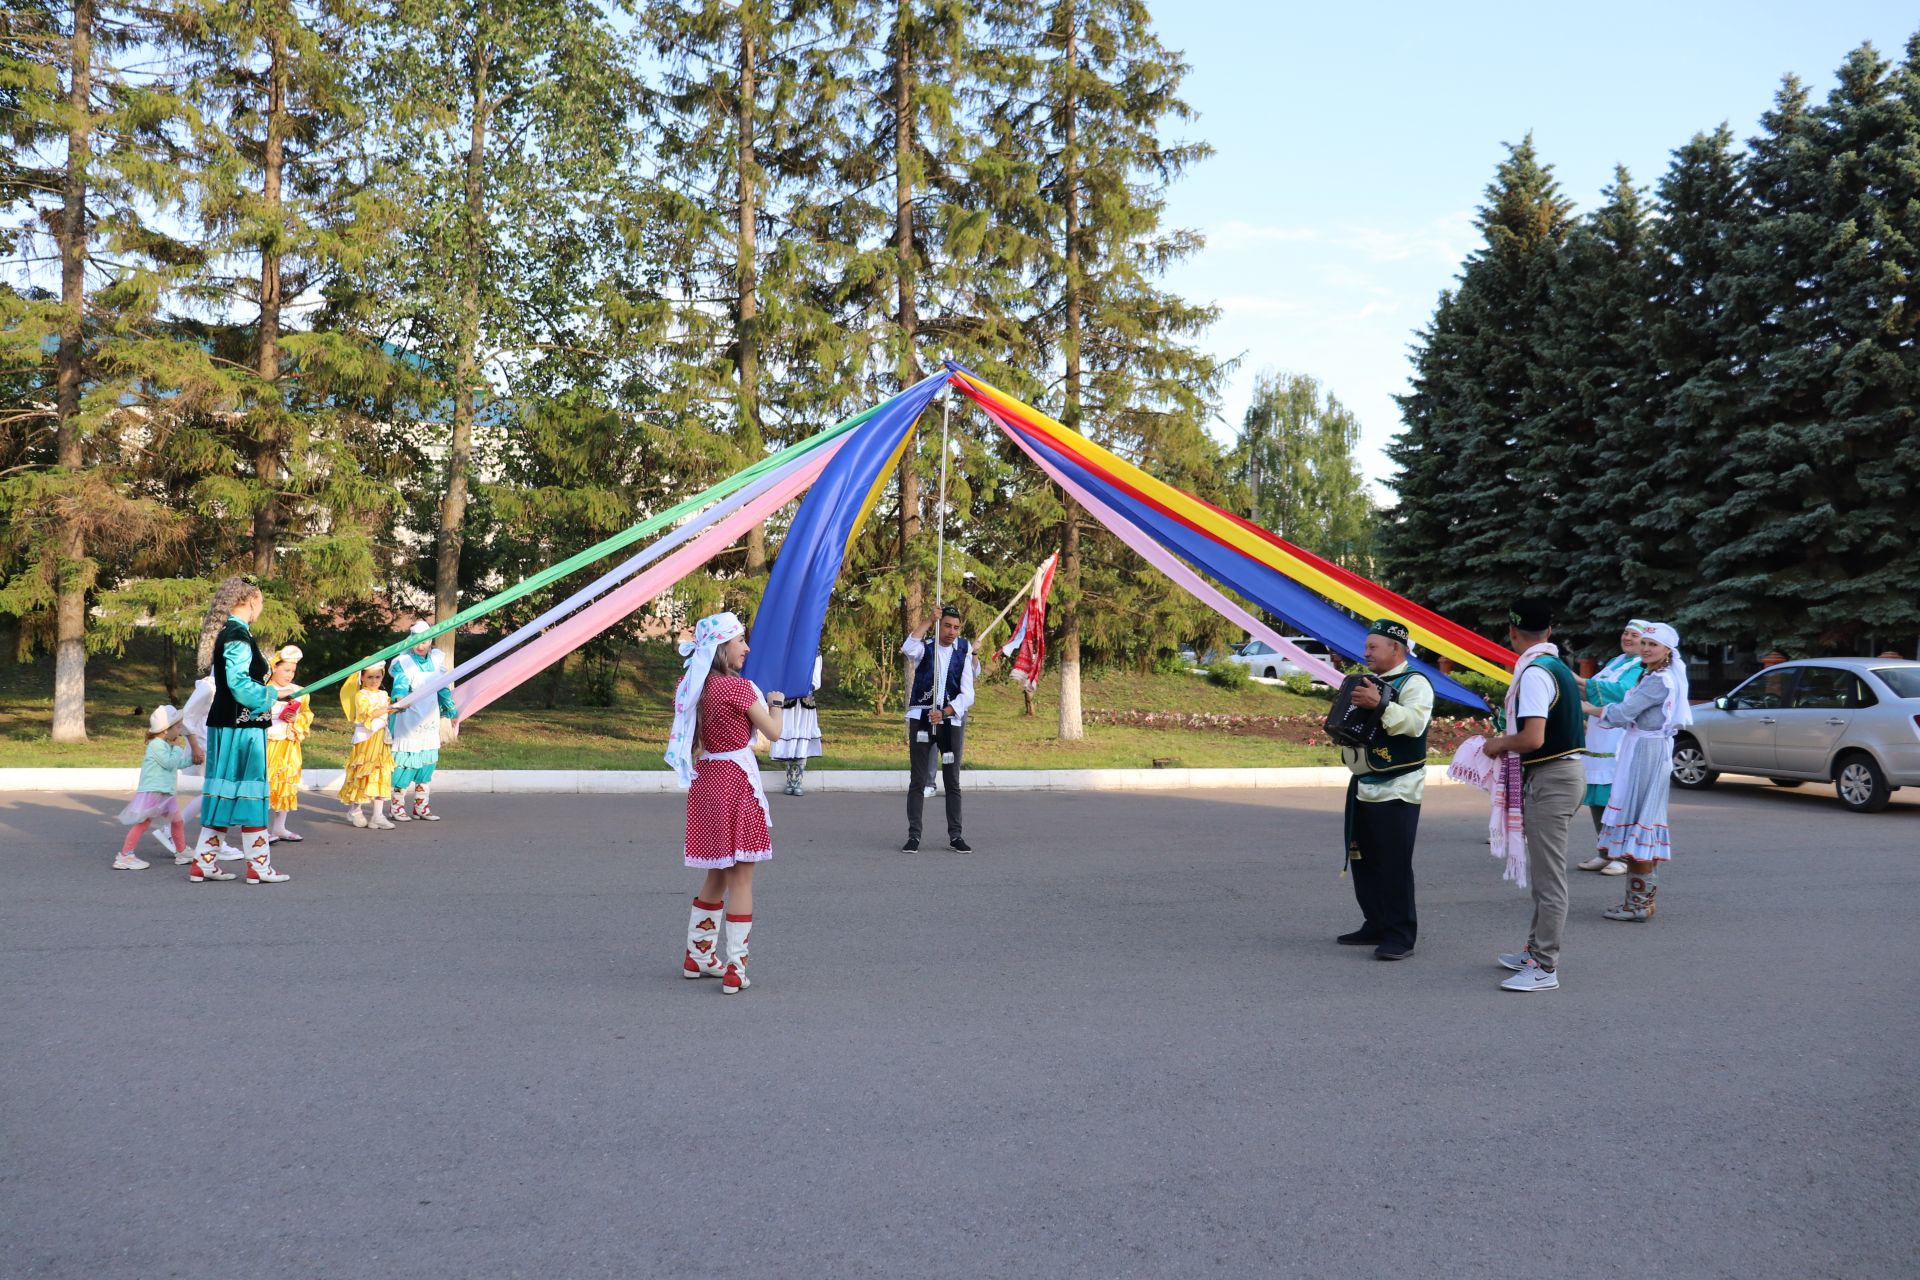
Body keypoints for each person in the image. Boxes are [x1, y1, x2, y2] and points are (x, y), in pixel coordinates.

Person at [666, 612, 784, 995]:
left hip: (706, 785)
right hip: (736, 783)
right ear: (722, 647)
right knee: (742, 878)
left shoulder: (693, 686)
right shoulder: (739, 689)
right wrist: (777, 703)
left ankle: (697, 956)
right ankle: (735, 967)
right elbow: (774, 733)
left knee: (716, 872)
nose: (746, 648)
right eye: (740, 641)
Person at [1483, 597, 1585, 993]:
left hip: (1552, 778)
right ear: (1550, 632)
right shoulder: (1554, 665)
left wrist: (1496, 744)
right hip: (1559, 775)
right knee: (1545, 874)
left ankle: (1545, 967)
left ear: (1511, 633)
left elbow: (1532, 738)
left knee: (1549, 878)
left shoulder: (1535, 673)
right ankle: (1534, 952)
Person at [1335, 619, 1433, 961]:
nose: (1366, 652)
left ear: (1397, 649)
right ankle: (1375, 923)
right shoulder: (1367, 682)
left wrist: (1380, 704)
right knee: (1365, 862)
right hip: (1363, 786)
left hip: (1398, 789)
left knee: (1393, 864)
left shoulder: (1415, 683)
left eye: (1373, 646)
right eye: (1366, 646)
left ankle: (1401, 935)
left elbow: (1414, 723)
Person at [1585, 622, 1691, 923]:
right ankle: (1641, 901)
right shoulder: (1657, 674)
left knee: (1638, 823)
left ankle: (1638, 905)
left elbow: (1623, 712)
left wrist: (1586, 708)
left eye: (1652, 645)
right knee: (1642, 824)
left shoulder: (1659, 680)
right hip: (1646, 749)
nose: (1645, 648)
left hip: (1645, 753)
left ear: (1667, 650)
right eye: (1643, 643)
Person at [190, 576, 292, 885]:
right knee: (250, 793)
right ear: (252, 600)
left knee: (225, 793)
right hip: (242, 727)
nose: (261, 607)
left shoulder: (232, 633)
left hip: (231, 724)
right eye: (261, 601)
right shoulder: (237, 635)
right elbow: (238, 684)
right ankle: (259, 866)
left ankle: (203, 862)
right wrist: (273, 694)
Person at [1575, 620, 1649, 876]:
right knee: (1599, 799)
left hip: (1619, 739)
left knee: (1618, 799)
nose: (1627, 638)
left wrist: (1581, 682)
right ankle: (1604, 852)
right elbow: (1596, 690)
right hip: (1598, 740)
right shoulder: (1617, 662)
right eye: (1625, 633)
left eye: (1634, 635)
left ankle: (1624, 856)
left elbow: (1622, 693)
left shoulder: (1642, 667)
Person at [901, 604, 976, 854]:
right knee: (918, 779)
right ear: (938, 624)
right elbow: (908, 647)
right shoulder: (925, 649)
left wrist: (945, 712)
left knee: (952, 780)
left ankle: (956, 836)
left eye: (956, 627)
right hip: (921, 719)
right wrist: (926, 620)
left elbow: (968, 695)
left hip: (949, 723)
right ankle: (914, 835)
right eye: (946, 625)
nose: (952, 631)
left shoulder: (963, 653)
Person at [114, 705, 203, 870]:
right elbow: (169, 763)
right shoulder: (156, 745)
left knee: (177, 821)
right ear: (165, 730)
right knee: (143, 822)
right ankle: (125, 856)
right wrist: (177, 747)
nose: (179, 731)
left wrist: (192, 760)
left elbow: (175, 764)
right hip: (154, 791)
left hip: (165, 793)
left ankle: (181, 851)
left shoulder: (165, 745)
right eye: (177, 727)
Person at [388, 622, 458, 822]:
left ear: (430, 641)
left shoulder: (436, 661)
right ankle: (397, 807)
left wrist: (452, 710)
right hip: (409, 717)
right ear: (411, 640)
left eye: (425, 641)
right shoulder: (404, 662)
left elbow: (443, 688)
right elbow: (400, 684)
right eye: (417, 641)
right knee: (405, 764)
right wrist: (399, 699)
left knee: (426, 764)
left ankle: (421, 806)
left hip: (430, 717)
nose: (421, 646)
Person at [264, 646, 313, 844]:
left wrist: (296, 719)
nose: (290, 675)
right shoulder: (263, 690)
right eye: (286, 670)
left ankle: (280, 826)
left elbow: (307, 714)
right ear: (274, 667)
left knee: (286, 783)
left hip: (289, 744)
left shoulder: (300, 691)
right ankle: (259, 828)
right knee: (266, 784)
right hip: (268, 743)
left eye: (293, 671)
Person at [339, 663, 397, 830]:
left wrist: (397, 708)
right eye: (370, 677)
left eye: (377, 677)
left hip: (381, 739)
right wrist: (389, 708)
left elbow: (386, 711)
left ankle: (377, 816)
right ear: (362, 677)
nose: (374, 680)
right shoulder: (361, 695)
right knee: (362, 773)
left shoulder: (384, 694)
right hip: (366, 739)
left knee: (381, 772)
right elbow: (368, 714)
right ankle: (355, 810)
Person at [773, 655, 824, 796]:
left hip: (804, 705)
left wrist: (800, 685)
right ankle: (790, 780)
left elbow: (816, 682)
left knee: (802, 739)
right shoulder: (786, 651)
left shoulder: (815, 655)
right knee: (789, 739)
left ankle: (798, 781)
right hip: (788, 703)